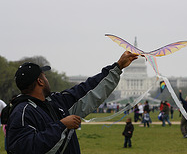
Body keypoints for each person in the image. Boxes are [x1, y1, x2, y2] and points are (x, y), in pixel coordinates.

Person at [6, 51, 138, 154]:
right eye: (44, 76)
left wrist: (118, 66)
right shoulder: (22, 112)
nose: (47, 79)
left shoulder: (55, 102)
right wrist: (62, 125)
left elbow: (87, 90)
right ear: (40, 81)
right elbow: (25, 149)